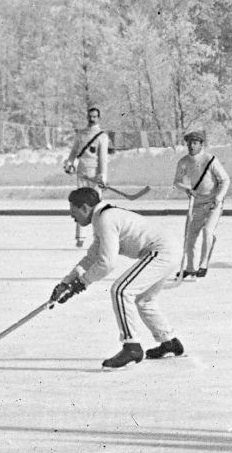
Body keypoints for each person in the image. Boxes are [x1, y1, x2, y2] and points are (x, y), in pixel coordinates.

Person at [51, 187, 183, 368]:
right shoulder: (102, 218)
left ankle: (132, 347)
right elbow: (92, 257)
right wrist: (66, 282)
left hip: (161, 251)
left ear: (85, 208)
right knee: (145, 300)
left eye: (73, 212)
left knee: (121, 290)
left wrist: (81, 284)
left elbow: (107, 263)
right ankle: (169, 341)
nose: (72, 218)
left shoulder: (105, 219)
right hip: (168, 251)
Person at [173, 130, 229, 278]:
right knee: (190, 236)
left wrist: (218, 198)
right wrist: (187, 189)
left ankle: (203, 265)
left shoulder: (210, 160)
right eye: (189, 143)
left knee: (207, 231)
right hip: (196, 203)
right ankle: (190, 268)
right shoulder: (184, 162)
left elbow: (225, 180)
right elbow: (177, 182)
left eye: (195, 143)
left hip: (212, 204)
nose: (191, 146)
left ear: (201, 144)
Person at [63, 106, 111, 247]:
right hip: (82, 173)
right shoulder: (81, 134)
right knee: (79, 203)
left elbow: (103, 158)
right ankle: (80, 237)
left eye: (95, 116)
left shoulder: (102, 136)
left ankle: (98, 236)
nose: (92, 119)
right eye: (90, 116)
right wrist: (69, 163)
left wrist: (102, 176)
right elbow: (73, 152)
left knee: (96, 205)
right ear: (87, 117)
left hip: (95, 175)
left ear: (99, 118)